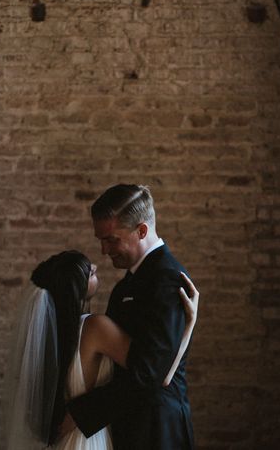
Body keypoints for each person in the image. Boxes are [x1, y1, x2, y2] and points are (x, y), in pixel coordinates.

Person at [0, 249, 197, 450]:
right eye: (90, 272)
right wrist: (188, 325)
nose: (97, 266)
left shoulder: (52, 335)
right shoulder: (96, 327)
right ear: (75, 288)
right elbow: (157, 371)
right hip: (88, 440)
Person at [64, 184, 195, 450]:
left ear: (142, 230)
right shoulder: (128, 284)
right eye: (100, 240)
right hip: (128, 427)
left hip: (157, 433)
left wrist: (77, 415)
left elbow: (149, 375)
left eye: (111, 239)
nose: (103, 250)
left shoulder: (167, 280)